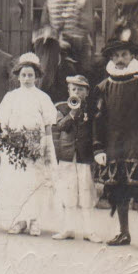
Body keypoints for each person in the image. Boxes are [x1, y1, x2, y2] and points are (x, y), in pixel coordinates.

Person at [93, 35, 138, 252]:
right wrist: (98, 146)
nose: (119, 59)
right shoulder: (103, 86)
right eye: (115, 56)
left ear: (132, 56)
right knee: (119, 189)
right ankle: (124, 232)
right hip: (114, 143)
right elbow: (98, 118)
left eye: (124, 55)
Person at [0, 53, 58, 236]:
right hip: (15, 147)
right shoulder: (11, 97)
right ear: (18, 76)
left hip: (35, 145)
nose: (27, 79)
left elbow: (47, 125)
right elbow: (3, 122)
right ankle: (19, 219)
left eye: (31, 75)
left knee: (34, 181)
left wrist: (45, 145)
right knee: (16, 182)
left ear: (37, 77)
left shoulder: (42, 97)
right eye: (23, 75)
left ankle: (35, 220)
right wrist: (8, 138)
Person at [51, 75, 102, 242]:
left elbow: (96, 131)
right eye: (73, 89)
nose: (77, 92)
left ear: (87, 92)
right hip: (67, 155)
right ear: (68, 90)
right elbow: (60, 126)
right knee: (68, 192)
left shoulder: (93, 110)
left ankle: (89, 231)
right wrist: (72, 113)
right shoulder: (61, 108)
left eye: (80, 89)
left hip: (84, 155)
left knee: (87, 193)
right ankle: (68, 229)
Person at [36, 0, 93, 79]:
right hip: (56, 52)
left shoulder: (82, 0)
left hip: (79, 52)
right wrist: (55, 40)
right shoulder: (49, 3)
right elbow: (45, 27)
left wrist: (71, 40)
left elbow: (88, 27)